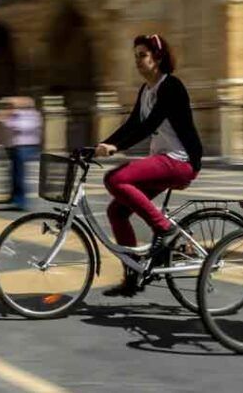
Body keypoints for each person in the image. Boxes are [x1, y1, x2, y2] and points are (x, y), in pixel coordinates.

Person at [95, 34, 204, 297]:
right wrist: (102, 144)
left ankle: (165, 230)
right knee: (116, 212)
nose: (137, 61)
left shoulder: (171, 86)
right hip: (164, 160)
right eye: (135, 56)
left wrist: (116, 148)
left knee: (116, 179)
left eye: (142, 55)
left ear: (158, 57)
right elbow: (132, 124)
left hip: (181, 160)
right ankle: (132, 277)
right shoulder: (146, 90)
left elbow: (149, 125)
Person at [0, 96, 42, 209]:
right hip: (15, 146)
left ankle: (20, 201)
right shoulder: (18, 114)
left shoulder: (31, 115)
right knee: (13, 174)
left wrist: (7, 118)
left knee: (19, 175)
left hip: (24, 147)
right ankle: (13, 197)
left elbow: (20, 127)